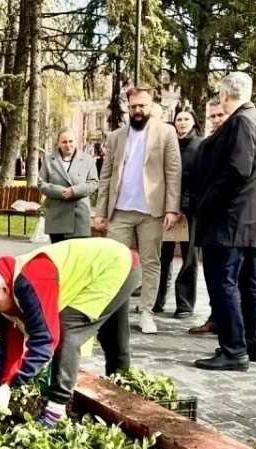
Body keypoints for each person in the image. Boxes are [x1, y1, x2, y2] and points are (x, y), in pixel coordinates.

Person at [0, 238, 139, 427]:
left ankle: (55, 411)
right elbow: (8, 348)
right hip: (109, 263)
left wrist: (11, 385)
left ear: (4, 289)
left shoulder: (30, 281)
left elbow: (46, 341)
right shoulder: (2, 294)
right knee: (113, 335)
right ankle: (123, 393)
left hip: (114, 265)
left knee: (68, 331)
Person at [193, 72, 256, 371]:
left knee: (222, 283)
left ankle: (233, 349)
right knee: (249, 283)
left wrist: (207, 200)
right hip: (252, 221)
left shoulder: (240, 121)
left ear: (225, 95)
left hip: (230, 222)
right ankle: (253, 344)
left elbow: (238, 170)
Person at [92, 85, 182, 335]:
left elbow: (173, 172)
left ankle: (146, 312)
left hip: (152, 211)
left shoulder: (166, 133)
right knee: (113, 262)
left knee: (151, 262)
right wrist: (100, 212)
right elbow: (106, 175)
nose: (138, 110)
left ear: (152, 105)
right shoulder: (116, 136)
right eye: (133, 106)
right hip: (119, 210)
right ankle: (109, 313)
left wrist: (172, 208)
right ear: (127, 108)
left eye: (142, 105)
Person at [154, 109, 203, 316]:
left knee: (189, 257)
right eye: (178, 120)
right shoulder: (167, 144)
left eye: (186, 119)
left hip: (190, 210)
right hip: (167, 209)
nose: (182, 123)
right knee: (161, 256)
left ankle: (184, 303)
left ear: (193, 122)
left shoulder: (200, 146)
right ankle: (157, 300)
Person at [187, 100, 229, 336]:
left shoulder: (235, 140)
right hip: (205, 214)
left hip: (228, 218)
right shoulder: (207, 144)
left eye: (220, 115)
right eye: (212, 116)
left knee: (228, 276)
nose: (216, 120)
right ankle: (215, 317)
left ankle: (232, 322)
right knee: (211, 271)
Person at [39, 128, 99, 243]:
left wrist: (74, 191)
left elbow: (93, 182)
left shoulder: (87, 159)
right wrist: (61, 192)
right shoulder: (49, 160)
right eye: (64, 142)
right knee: (58, 256)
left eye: (71, 141)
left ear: (76, 141)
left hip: (79, 216)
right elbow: (41, 183)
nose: (68, 145)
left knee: (78, 257)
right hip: (56, 215)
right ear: (58, 143)